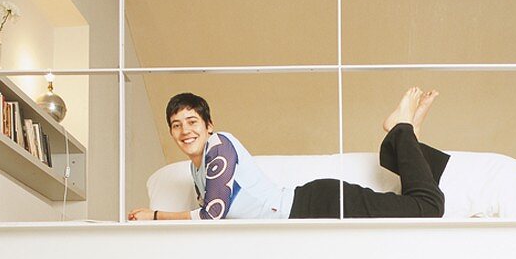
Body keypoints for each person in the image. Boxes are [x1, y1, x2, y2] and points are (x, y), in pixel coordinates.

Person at [128, 87, 447, 222]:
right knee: (411, 206)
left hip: (319, 205)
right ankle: (408, 139)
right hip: (312, 205)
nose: (185, 131)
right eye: (176, 125)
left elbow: (213, 213)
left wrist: (154, 216)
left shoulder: (219, 146)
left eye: (192, 122)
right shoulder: (197, 169)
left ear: (209, 125)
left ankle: (400, 128)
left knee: (428, 208)